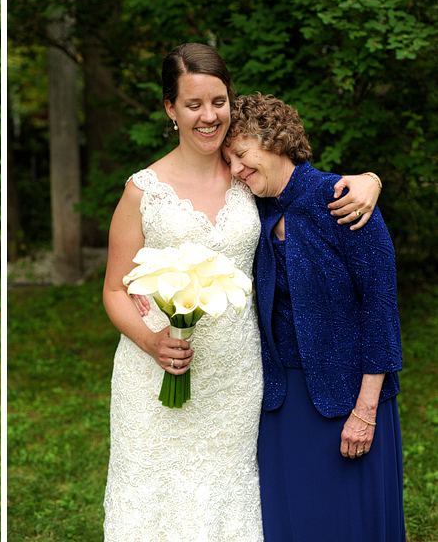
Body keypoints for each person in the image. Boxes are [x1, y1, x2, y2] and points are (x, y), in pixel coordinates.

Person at [100, 43, 381, 541]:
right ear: (170, 108)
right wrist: (151, 342)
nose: (209, 116)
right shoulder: (142, 191)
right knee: (154, 500)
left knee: (229, 500)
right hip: (154, 373)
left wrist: (369, 180)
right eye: (193, 105)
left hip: (237, 373)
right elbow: (115, 292)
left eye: (218, 102)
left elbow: (308, 193)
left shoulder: (249, 179)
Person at [222, 93, 404, 541]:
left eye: (242, 155)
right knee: (290, 522)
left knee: (345, 524)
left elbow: (380, 309)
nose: (235, 171)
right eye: (228, 161)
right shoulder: (253, 211)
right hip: (280, 400)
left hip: (349, 396)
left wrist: (365, 411)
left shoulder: (342, 199)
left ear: (275, 140)